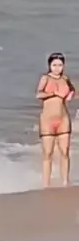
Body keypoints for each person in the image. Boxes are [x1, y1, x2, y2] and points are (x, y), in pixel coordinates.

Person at [36, 52, 75, 187]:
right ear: (49, 65)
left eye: (60, 65)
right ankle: (46, 184)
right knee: (48, 153)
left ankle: (65, 182)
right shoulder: (45, 78)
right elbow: (38, 94)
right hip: (47, 120)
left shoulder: (65, 78)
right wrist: (53, 93)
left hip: (63, 119)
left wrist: (70, 95)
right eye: (54, 65)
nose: (57, 68)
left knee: (65, 152)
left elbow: (72, 90)